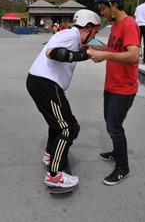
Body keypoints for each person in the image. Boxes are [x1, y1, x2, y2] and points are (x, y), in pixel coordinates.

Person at [26, 9, 101, 188]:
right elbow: (52, 52)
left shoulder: (73, 38)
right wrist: (83, 55)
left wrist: (90, 50)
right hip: (46, 84)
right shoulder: (70, 35)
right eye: (94, 33)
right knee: (69, 128)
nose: (93, 37)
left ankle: (49, 154)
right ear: (88, 28)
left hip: (40, 83)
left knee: (57, 124)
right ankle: (54, 174)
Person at [87, 0, 140, 186]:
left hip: (123, 88)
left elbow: (133, 55)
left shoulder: (129, 25)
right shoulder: (116, 26)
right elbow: (113, 48)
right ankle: (116, 152)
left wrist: (105, 56)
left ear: (114, 5)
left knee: (115, 127)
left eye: (103, 8)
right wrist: (91, 47)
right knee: (111, 125)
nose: (102, 12)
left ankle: (123, 167)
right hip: (111, 85)